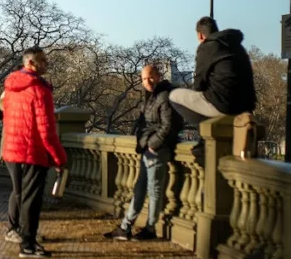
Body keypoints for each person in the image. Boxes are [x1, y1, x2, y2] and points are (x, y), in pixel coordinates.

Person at [0, 47, 67, 258]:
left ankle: (21, 235)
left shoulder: (11, 86)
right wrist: (59, 158)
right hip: (32, 152)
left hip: (12, 150)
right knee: (32, 201)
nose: (46, 64)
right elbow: (46, 130)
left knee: (20, 195)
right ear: (31, 63)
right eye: (43, 61)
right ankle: (28, 244)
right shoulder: (40, 89)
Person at [104, 63, 183, 241]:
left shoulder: (164, 96)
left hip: (157, 150)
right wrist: (142, 140)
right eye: (144, 78)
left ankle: (150, 229)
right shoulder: (150, 96)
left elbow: (170, 125)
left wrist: (153, 144)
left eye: (150, 77)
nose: (147, 81)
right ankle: (126, 227)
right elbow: (144, 122)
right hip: (148, 149)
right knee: (139, 189)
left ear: (159, 76)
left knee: (154, 191)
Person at [170, 17, 257, 127]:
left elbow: (199, 83)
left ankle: (206, 130)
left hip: (224, 105)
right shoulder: (238, 46)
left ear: (200, 35)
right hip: (246, 105)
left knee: (174, 96)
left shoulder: (206, 47)